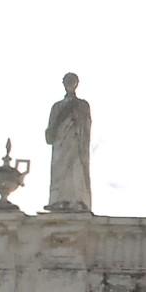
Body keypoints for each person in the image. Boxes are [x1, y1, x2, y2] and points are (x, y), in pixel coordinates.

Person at [44, 72, 92, 212]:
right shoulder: (57, 106)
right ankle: (58, 200)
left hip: (76, 142)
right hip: (61, 144)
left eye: (72, 81)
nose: (69, 84)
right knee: (60, 169)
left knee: (76, 169)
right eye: (67, 81)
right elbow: (50, 128)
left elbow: (86, 124)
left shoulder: (82, 105)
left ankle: (77, 200)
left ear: (76, 84)